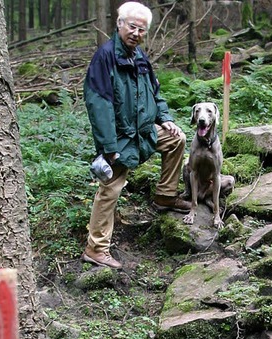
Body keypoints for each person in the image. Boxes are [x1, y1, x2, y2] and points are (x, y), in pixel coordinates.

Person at [81, 1, 190, 269]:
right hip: (120, 139)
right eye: (132, 26)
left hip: (143, 133)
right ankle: (96, 248)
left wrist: (164, 118)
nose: (136, 33)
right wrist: (108, 146)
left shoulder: (139, 56)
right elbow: (99, 104)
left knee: (176, 139)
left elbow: (154, 92)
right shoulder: (105, 57)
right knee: (110, 189)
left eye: (142, 29)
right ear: (119, 24)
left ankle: (166, 195)